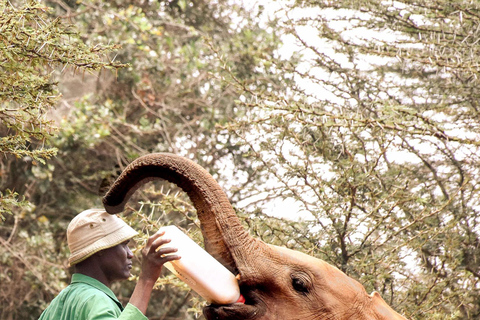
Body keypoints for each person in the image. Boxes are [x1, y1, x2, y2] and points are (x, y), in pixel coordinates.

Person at [38, 208, 181, 320]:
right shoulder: (95, 299)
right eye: (124, 245)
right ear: (100, 249)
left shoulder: (55, 307)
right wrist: (146, 279)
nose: (130, 254)